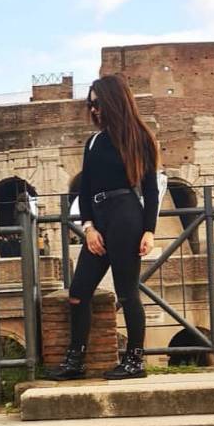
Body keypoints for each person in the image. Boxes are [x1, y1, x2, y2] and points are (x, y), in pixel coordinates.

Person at [48, 73, 159, 381]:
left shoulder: (140, 137)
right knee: (78, 292)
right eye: (90, 104)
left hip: (126, 216)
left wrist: (149, 230)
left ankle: (134, 361)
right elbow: (83, 191)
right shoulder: (94, 142)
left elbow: (150, 190)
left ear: (113, 100)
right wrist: (88, 228)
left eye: (97, 103)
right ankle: (75, 360)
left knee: (127, 293)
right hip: (99, 219)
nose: (93, 109)